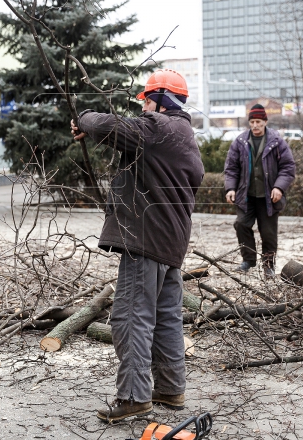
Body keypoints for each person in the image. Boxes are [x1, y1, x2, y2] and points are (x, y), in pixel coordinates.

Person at [70, 69, 204, 423]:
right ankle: (171, 388)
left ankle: (133, 397)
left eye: (146, 99)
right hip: (171, 245)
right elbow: (127, 138)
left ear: (161, 99)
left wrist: (82, 118)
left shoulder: (159, 128)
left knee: (130, 315)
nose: (143, 106)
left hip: (145, 240)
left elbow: (113, 126)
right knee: (166, 317)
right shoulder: (184, 135)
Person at [224, 104, 296, 274]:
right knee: (241, 224)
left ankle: (269, 265)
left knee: (268, 233)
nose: (255, 125)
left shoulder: (277, 142)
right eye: (252, 122)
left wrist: (279, 187)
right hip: (246, 196)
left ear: (265, 121)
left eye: (258, 121)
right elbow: (231, 168)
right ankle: (248, 260)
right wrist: (230, 188)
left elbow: (288, 167)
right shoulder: (240, 142)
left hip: (269, 198)